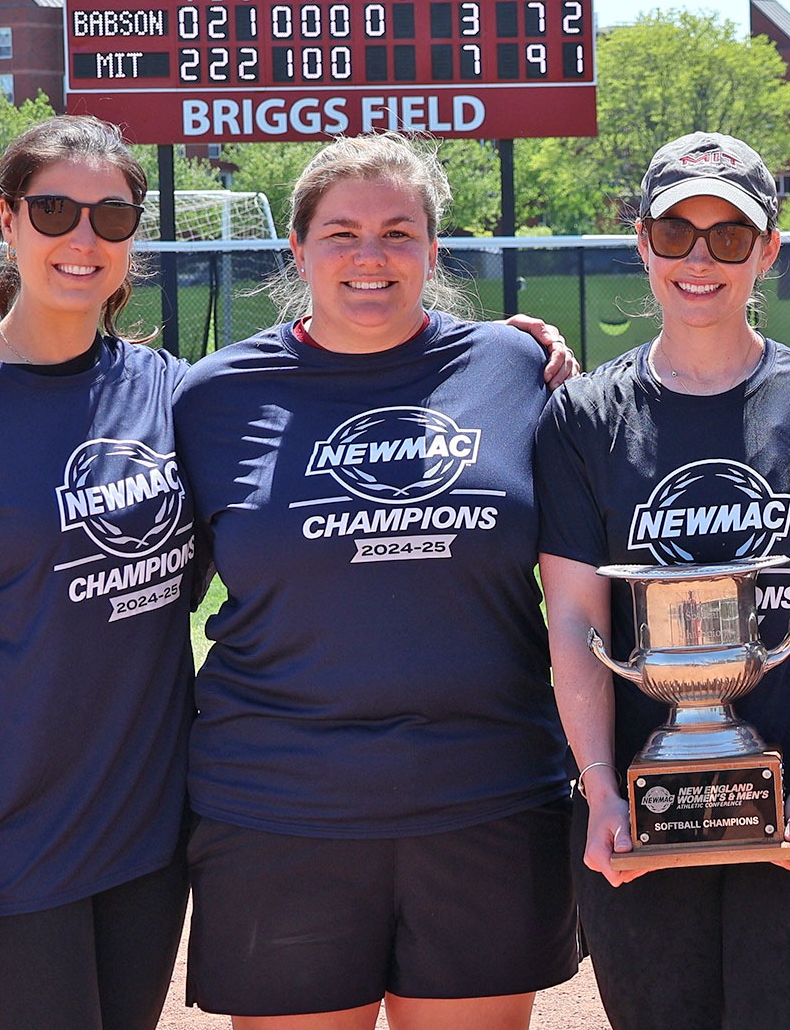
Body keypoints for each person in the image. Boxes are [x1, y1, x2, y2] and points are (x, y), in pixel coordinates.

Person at [171, 132, 577, 1030]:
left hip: (485, 795)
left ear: (434, 248)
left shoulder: (515, 371)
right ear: (299, 248)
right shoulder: (215, 396)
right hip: (279, 806)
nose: (371, 256)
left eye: (399, 232)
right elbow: (155, 597)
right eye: (341, 232)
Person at [535, 131, 790, 1029]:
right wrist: (602, 787)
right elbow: (576, 624)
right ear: (641, 242)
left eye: (730, 235)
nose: (700, 258)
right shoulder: (582, 417)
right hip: (640, 805)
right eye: (676, 231)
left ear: (768, 250)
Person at [0, 115, 195, 1029]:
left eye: (112, 216)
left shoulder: (170, 390)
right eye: (54, 210)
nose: (83, 239)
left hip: (147, 825)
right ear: (9, 221)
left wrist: (499, 347)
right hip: (12, 833)